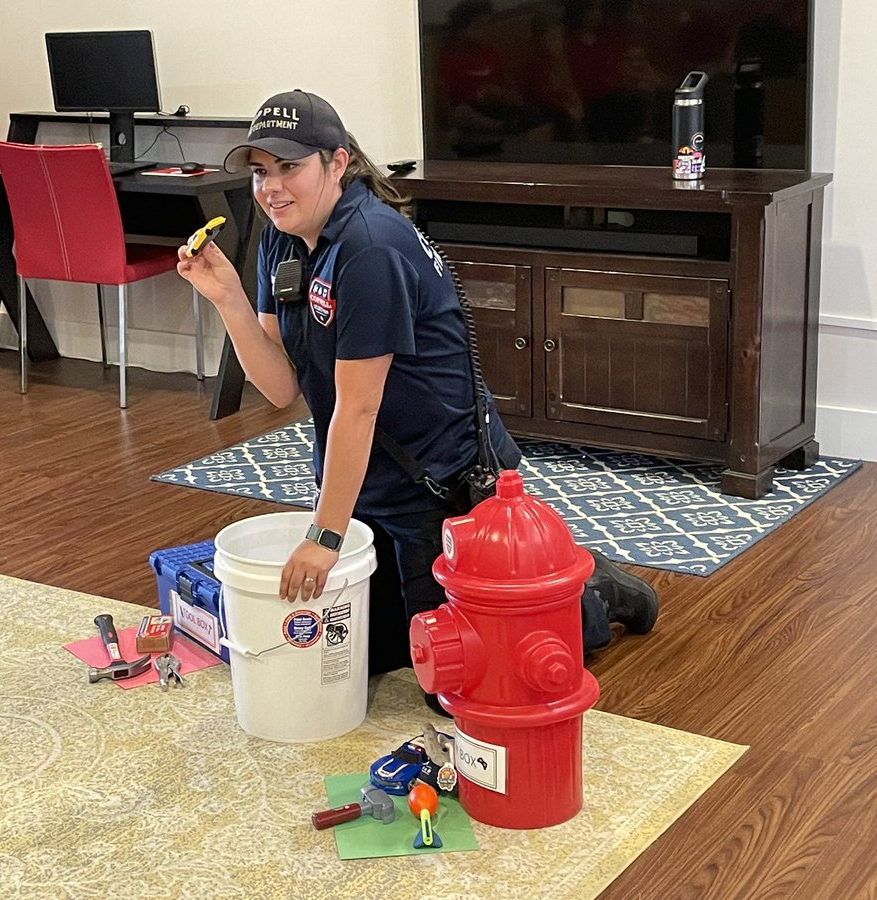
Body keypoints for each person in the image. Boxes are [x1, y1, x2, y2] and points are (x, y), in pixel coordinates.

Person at [177, 90, 658, 713]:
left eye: (289, 167)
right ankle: (514, 586)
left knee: (456, 682)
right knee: (349, 655)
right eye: (261, 171)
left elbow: (357, 408)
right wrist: (228, 299)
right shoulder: (281, 238)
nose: (271, 187)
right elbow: (281, 387)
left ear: (338, 162)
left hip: (440, 487)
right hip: (362, 486)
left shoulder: (370, 249)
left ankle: (591, 593)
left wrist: (324, 538)